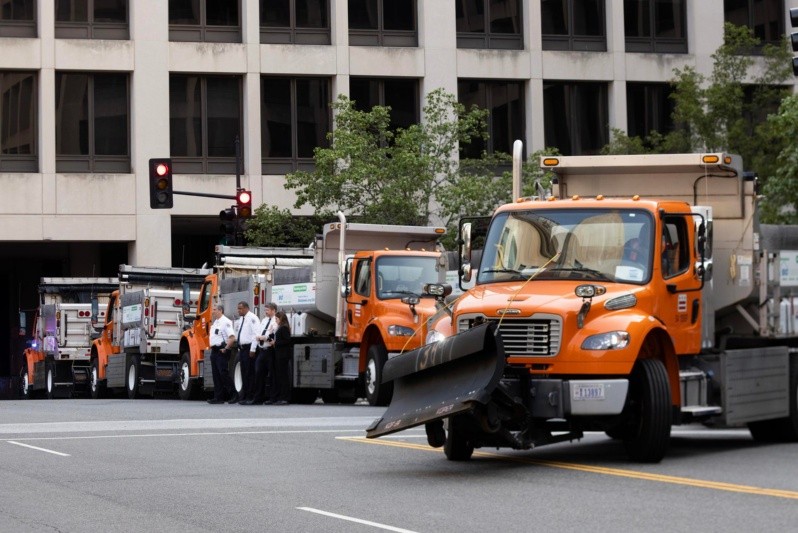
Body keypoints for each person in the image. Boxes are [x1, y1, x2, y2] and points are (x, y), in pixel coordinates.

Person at [244, 302, 278, 404]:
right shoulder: (264, 320)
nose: (266, 312)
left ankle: (273, 398)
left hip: (270, 351)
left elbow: (272, 334)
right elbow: (258, 333)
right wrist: (254, 346)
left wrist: (264, 337)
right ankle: (258, 397)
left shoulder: (275, 321)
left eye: (267, 310)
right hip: (261, 350)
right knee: (258, 374)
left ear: (273, 310)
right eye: (265, 310)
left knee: (272, 375)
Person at [206, 304, 237, 404]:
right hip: (214, 350)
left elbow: (232, 337)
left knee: (223, 373)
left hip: (221, 350)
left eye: (214, 310)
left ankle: (234, 395)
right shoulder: (216, 322)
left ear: (220, 310)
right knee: (216, 375)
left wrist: (226, 348)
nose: (213, 312)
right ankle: (218, 397)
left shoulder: (225, 322)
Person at [233, 301, 260, 404]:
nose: (238, 311)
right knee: (244, 373)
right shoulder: (241, 319)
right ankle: (244, 396)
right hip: (243, 349)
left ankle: (250, 396)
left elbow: (255, 334)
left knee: (250, 373)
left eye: (240, 309)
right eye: (238, 309)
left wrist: (253, 349)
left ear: (246, 308)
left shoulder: (252, 318)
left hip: (249, 349)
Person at [267, 310, 292, 405]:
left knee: (284, 377)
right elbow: (275, 339)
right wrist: (270, 334)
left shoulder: (284, 328)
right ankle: (280, 396)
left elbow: (287, 341)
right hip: (278, 355)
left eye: (277, 319)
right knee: (279, 376)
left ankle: (285, 397)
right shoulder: (279, 328)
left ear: (281, 318)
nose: (276, 320)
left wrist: (275, 343)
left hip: (283, 355)